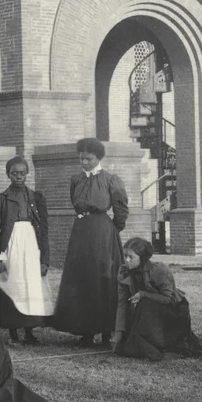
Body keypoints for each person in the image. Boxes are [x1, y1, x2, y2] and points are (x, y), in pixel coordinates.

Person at [51, 137, 129, 347]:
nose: (84, 162)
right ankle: (85, 330)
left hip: (102, 233)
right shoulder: (76, 180)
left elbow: (121, 210)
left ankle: (105, 331)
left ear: (98, 158)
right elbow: (75, 203)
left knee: (102, 278)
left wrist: (111, 230)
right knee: (82, 278)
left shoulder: (111, 180)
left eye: (89, 159)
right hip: (81, 232)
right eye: (81, 158)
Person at [0, 157, 53, 344]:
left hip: (31, 244)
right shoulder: (0, 198)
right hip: (11, 244)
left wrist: (45, 260)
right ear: (8, 174)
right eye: (14, 173)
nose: (18, 176)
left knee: (30, 284)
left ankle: (30, 330)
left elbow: (45, 230)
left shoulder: (35, 197)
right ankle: (13, 331)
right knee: (14, 283)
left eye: (22, 173)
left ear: (27, 174)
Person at [114, 237, 202, 361]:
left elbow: (169, 299)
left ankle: (158, 344)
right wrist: (118, 334)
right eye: (125, 256)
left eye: (131, 257)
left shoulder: (159, 270)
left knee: (145, 303)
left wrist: (143, 294)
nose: (126, 260)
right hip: (149, 313)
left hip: (173, 312)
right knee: (143, 308)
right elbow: (122, 304)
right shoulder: (125, 272)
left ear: (143, 258)